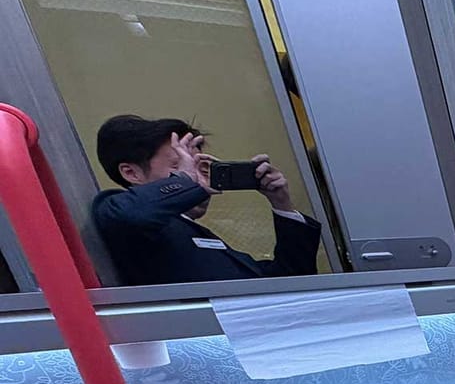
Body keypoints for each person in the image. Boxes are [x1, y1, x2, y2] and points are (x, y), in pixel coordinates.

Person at [90, 115, 322, 285]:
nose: (200, 178)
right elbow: (126, 216)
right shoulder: (125, 215)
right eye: (178, 166)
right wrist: (186, 180)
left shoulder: (193, 232)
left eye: (198, 167)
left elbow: (285, 282)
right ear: (131, 173)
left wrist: (282, 205)